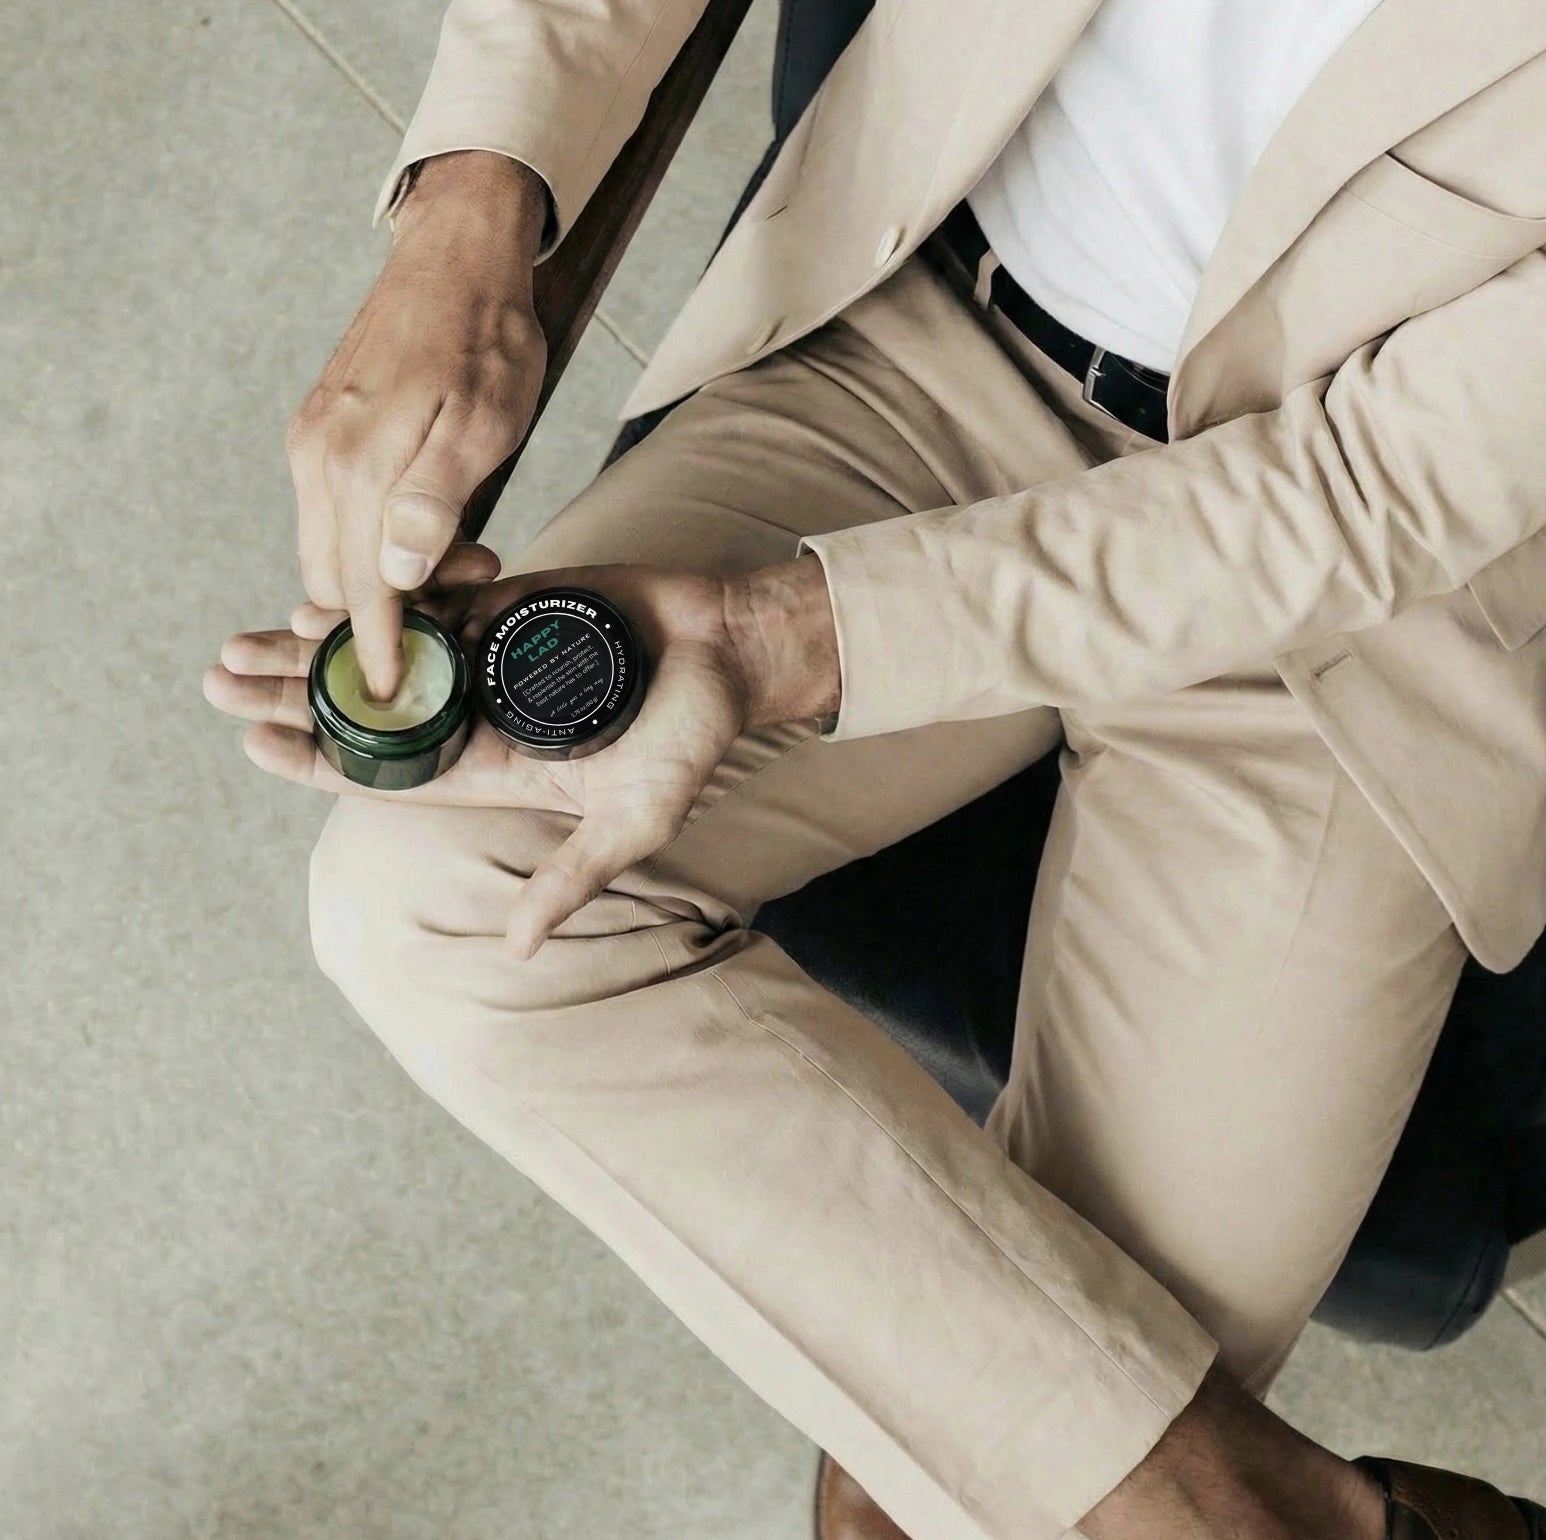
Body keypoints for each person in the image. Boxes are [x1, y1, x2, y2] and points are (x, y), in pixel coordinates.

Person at [202, 0, 1546, 1536]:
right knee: (423, 900)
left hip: (1340, 622)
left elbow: (1362, 495)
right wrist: (467, 214)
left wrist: (770, 639)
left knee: (990, 1462)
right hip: (914, 362)